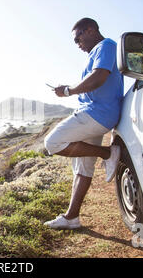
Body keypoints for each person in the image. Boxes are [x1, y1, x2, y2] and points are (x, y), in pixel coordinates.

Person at [43, 17, 124, 230]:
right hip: (97, 114)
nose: (78, 45)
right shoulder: (98, 51)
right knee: (83, 169)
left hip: (95, 114)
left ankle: (108, 153)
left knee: (51, 143)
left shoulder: (105, 46)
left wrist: (69, 91)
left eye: (77, 39)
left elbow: (98, 78)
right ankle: (72, 218)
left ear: (90, 30)